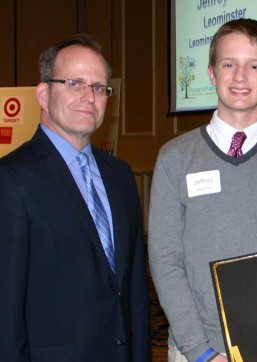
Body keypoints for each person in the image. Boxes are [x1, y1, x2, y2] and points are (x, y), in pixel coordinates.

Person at [148, 18, 257, 362]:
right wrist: (202, 352)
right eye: (229, 64)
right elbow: (165, 261)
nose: (240, 77)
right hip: (194, 350)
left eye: (254, 66)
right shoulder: (175, 158)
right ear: (212, 73)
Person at [0, 34, 151, 361]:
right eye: (74, 83)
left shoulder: (120, 176)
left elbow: (135, 292)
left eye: (99, 87)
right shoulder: (11, 180)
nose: (89, 96)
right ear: (43, 93)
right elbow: (5, 312)